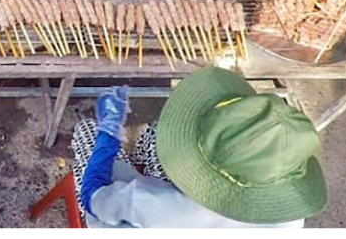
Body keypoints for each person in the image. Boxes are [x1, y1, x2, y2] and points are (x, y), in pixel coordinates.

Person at [74, 67, 327, 227]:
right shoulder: (289, 219)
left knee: (87, 133)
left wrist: (109, 131)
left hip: (138, 217)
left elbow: (93, 197)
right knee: (153, 133)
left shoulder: (157, 205)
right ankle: (140, 161)